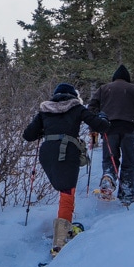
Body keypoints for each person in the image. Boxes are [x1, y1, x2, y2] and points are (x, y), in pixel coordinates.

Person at [23, 83, 110, 257]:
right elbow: (101, 126)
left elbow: (28, 135)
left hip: (47, 153)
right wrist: (102, 117)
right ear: (73, 96)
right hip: (67, 151)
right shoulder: (76, 108)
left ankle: (66, 226)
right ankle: (60, 240)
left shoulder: (45, 110)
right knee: (67, 192)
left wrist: (45, 129)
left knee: (64, 190)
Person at [87, 64, 134, 205]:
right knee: (129, 163)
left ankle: (108, 177)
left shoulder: (103, 89)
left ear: (114, 78)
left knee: (110, 159)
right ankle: (126, 195)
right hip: (130, 128)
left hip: (109, 128)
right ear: (128, 79)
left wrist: (94, 130)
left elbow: (91, 109)